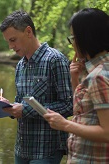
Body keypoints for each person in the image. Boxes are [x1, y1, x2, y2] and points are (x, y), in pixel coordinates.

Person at [0, 10, 73, 163]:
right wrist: (9, 107)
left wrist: (25, 110)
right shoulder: (20, 65)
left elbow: (69, 105)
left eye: (13, 40)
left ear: (28, 31)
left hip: (46, 149)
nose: (11, 46)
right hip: (22, 148)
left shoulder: (55, 59)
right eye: (8, 42)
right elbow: (21, 103)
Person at [44, 8, 109, 163]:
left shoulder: (98, 76)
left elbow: (107, 132)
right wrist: (76, 79)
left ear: (86, 38)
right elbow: (85, 113)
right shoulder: (97, 71)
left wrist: (65, 124)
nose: (72, 44)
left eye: (73, 38)